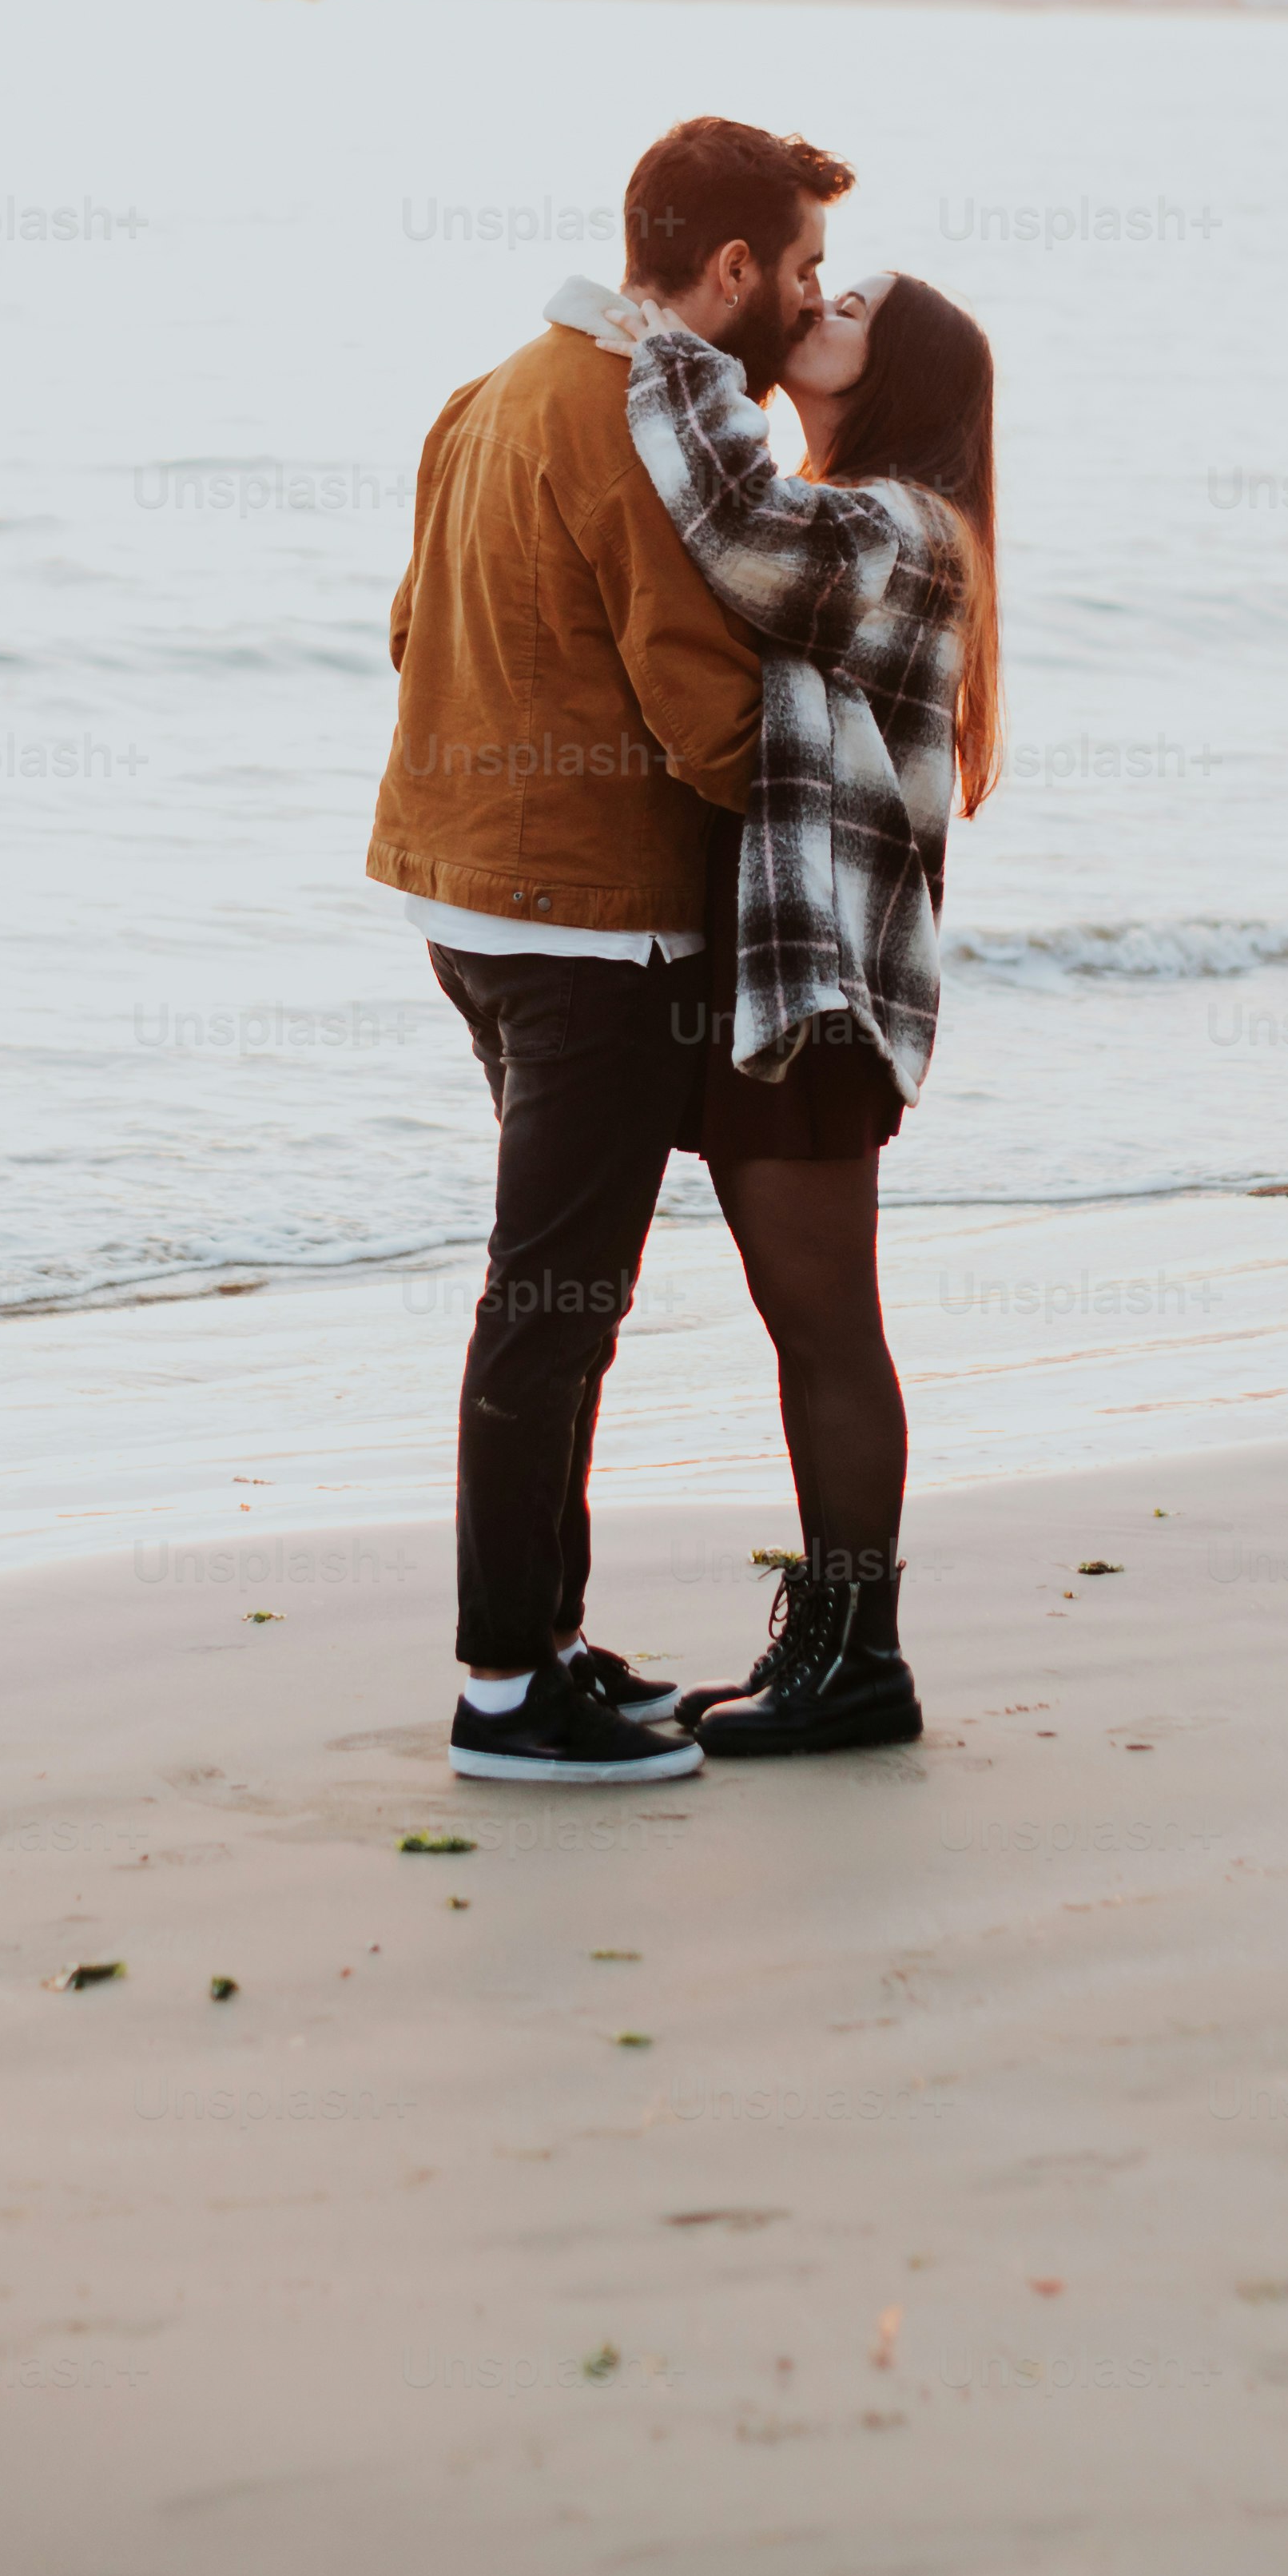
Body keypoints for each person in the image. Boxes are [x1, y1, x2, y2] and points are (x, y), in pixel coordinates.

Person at [365, 116, 843, 1785]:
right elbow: (701, 705)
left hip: (465, 900)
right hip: (590, 929)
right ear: (728, 272)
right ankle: (503, 1685)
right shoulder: (647, 417)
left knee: (557, 1293)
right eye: (799, 270)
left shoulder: (494, 387)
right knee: (553, 1307)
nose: (808, 297)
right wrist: (847, 751)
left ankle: (549, 1636)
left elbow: (415, 626)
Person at [597, 254, 1000, 1757]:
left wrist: (671, 352)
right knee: (808, 1324)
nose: (814, 315)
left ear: (895, 374)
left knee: (827, 1328)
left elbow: (739, 534)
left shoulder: (900, 528)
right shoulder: (888, 519)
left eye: (847, 314)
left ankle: (863, 1659)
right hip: (801, 981)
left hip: (826, 992)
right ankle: (832, 1642)